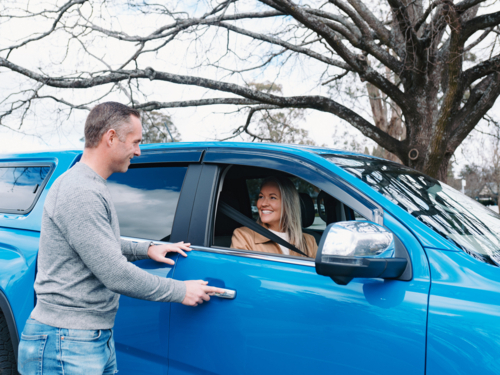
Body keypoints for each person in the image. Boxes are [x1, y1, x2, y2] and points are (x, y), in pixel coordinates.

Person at [17, 102, 223, 375]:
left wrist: (146, 248)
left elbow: (97, 244)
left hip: (86, 337)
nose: (138, 151)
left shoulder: (89, 185)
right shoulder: (80, 191)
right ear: (111, 137)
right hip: (65, 342)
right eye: (136, 142)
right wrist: (181, 291)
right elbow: (114, 273)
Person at [231, 176, 318, 258]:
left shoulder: (309, 241)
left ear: (288, 205)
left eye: (272, 197)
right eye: (261, 197)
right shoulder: (244, 236)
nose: (263, 203)